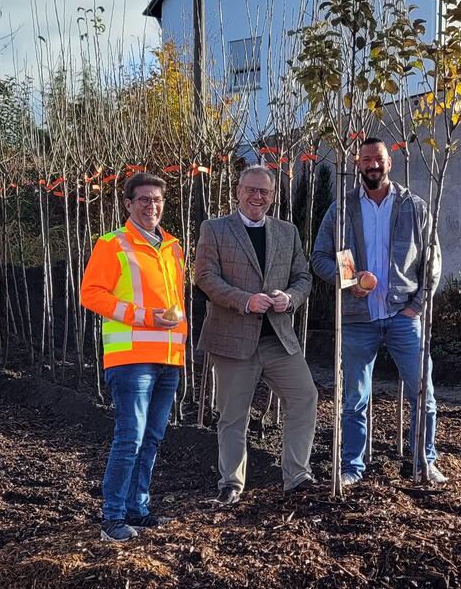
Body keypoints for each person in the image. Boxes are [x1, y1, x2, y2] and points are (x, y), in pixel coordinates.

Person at [311, 138, 446, 485]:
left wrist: (417, 305)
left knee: (423, 393)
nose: (373, 164)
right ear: (358, 164)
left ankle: (423, 463)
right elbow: (320, 257)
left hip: (403, 315)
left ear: (390, 162)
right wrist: (349, 281)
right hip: (358, 319)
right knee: (355, 398)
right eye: (367, 159)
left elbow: (432, 260)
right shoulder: (342, 209)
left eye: (380, 159)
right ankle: (352, 467)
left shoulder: (414, 207)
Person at [194, 165, 317, 505]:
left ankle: (297, 475)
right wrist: (244, 301)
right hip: (233, 340)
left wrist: (290, 298)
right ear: (237, 190)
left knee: (305, 397)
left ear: (273, 196)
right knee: (233, 415)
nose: (257, 196)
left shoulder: (287, 232)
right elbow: (204, 276)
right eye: (250, 189)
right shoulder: (215, 229)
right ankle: (231, 482)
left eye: (264, 191)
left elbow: (303, 277)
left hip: (278, 339)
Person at [81, 172, 188, 541]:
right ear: (127, 204)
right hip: (131, 358)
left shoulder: (172, 247)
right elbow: (91, 294)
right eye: (143, 199)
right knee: (130, 437)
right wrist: (141, 316)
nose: (151, 206)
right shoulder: (113, 244)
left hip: (169, 357)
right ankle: (111, 518)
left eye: (157, 199)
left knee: (152, 437)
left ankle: (136, 509)